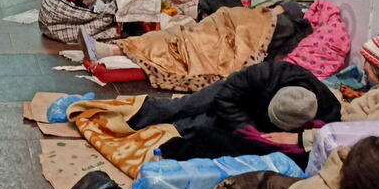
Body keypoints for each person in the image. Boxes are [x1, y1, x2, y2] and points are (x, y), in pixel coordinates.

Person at [125, 60, 342, 161]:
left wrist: (299, 138)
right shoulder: (268, 72)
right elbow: (226, 99)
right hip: (238, 98)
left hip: (257, 118)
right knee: (184, 106)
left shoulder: (328, 107)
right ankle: (135, 114)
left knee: (191, 129)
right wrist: (247, 129)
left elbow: (332, 138)